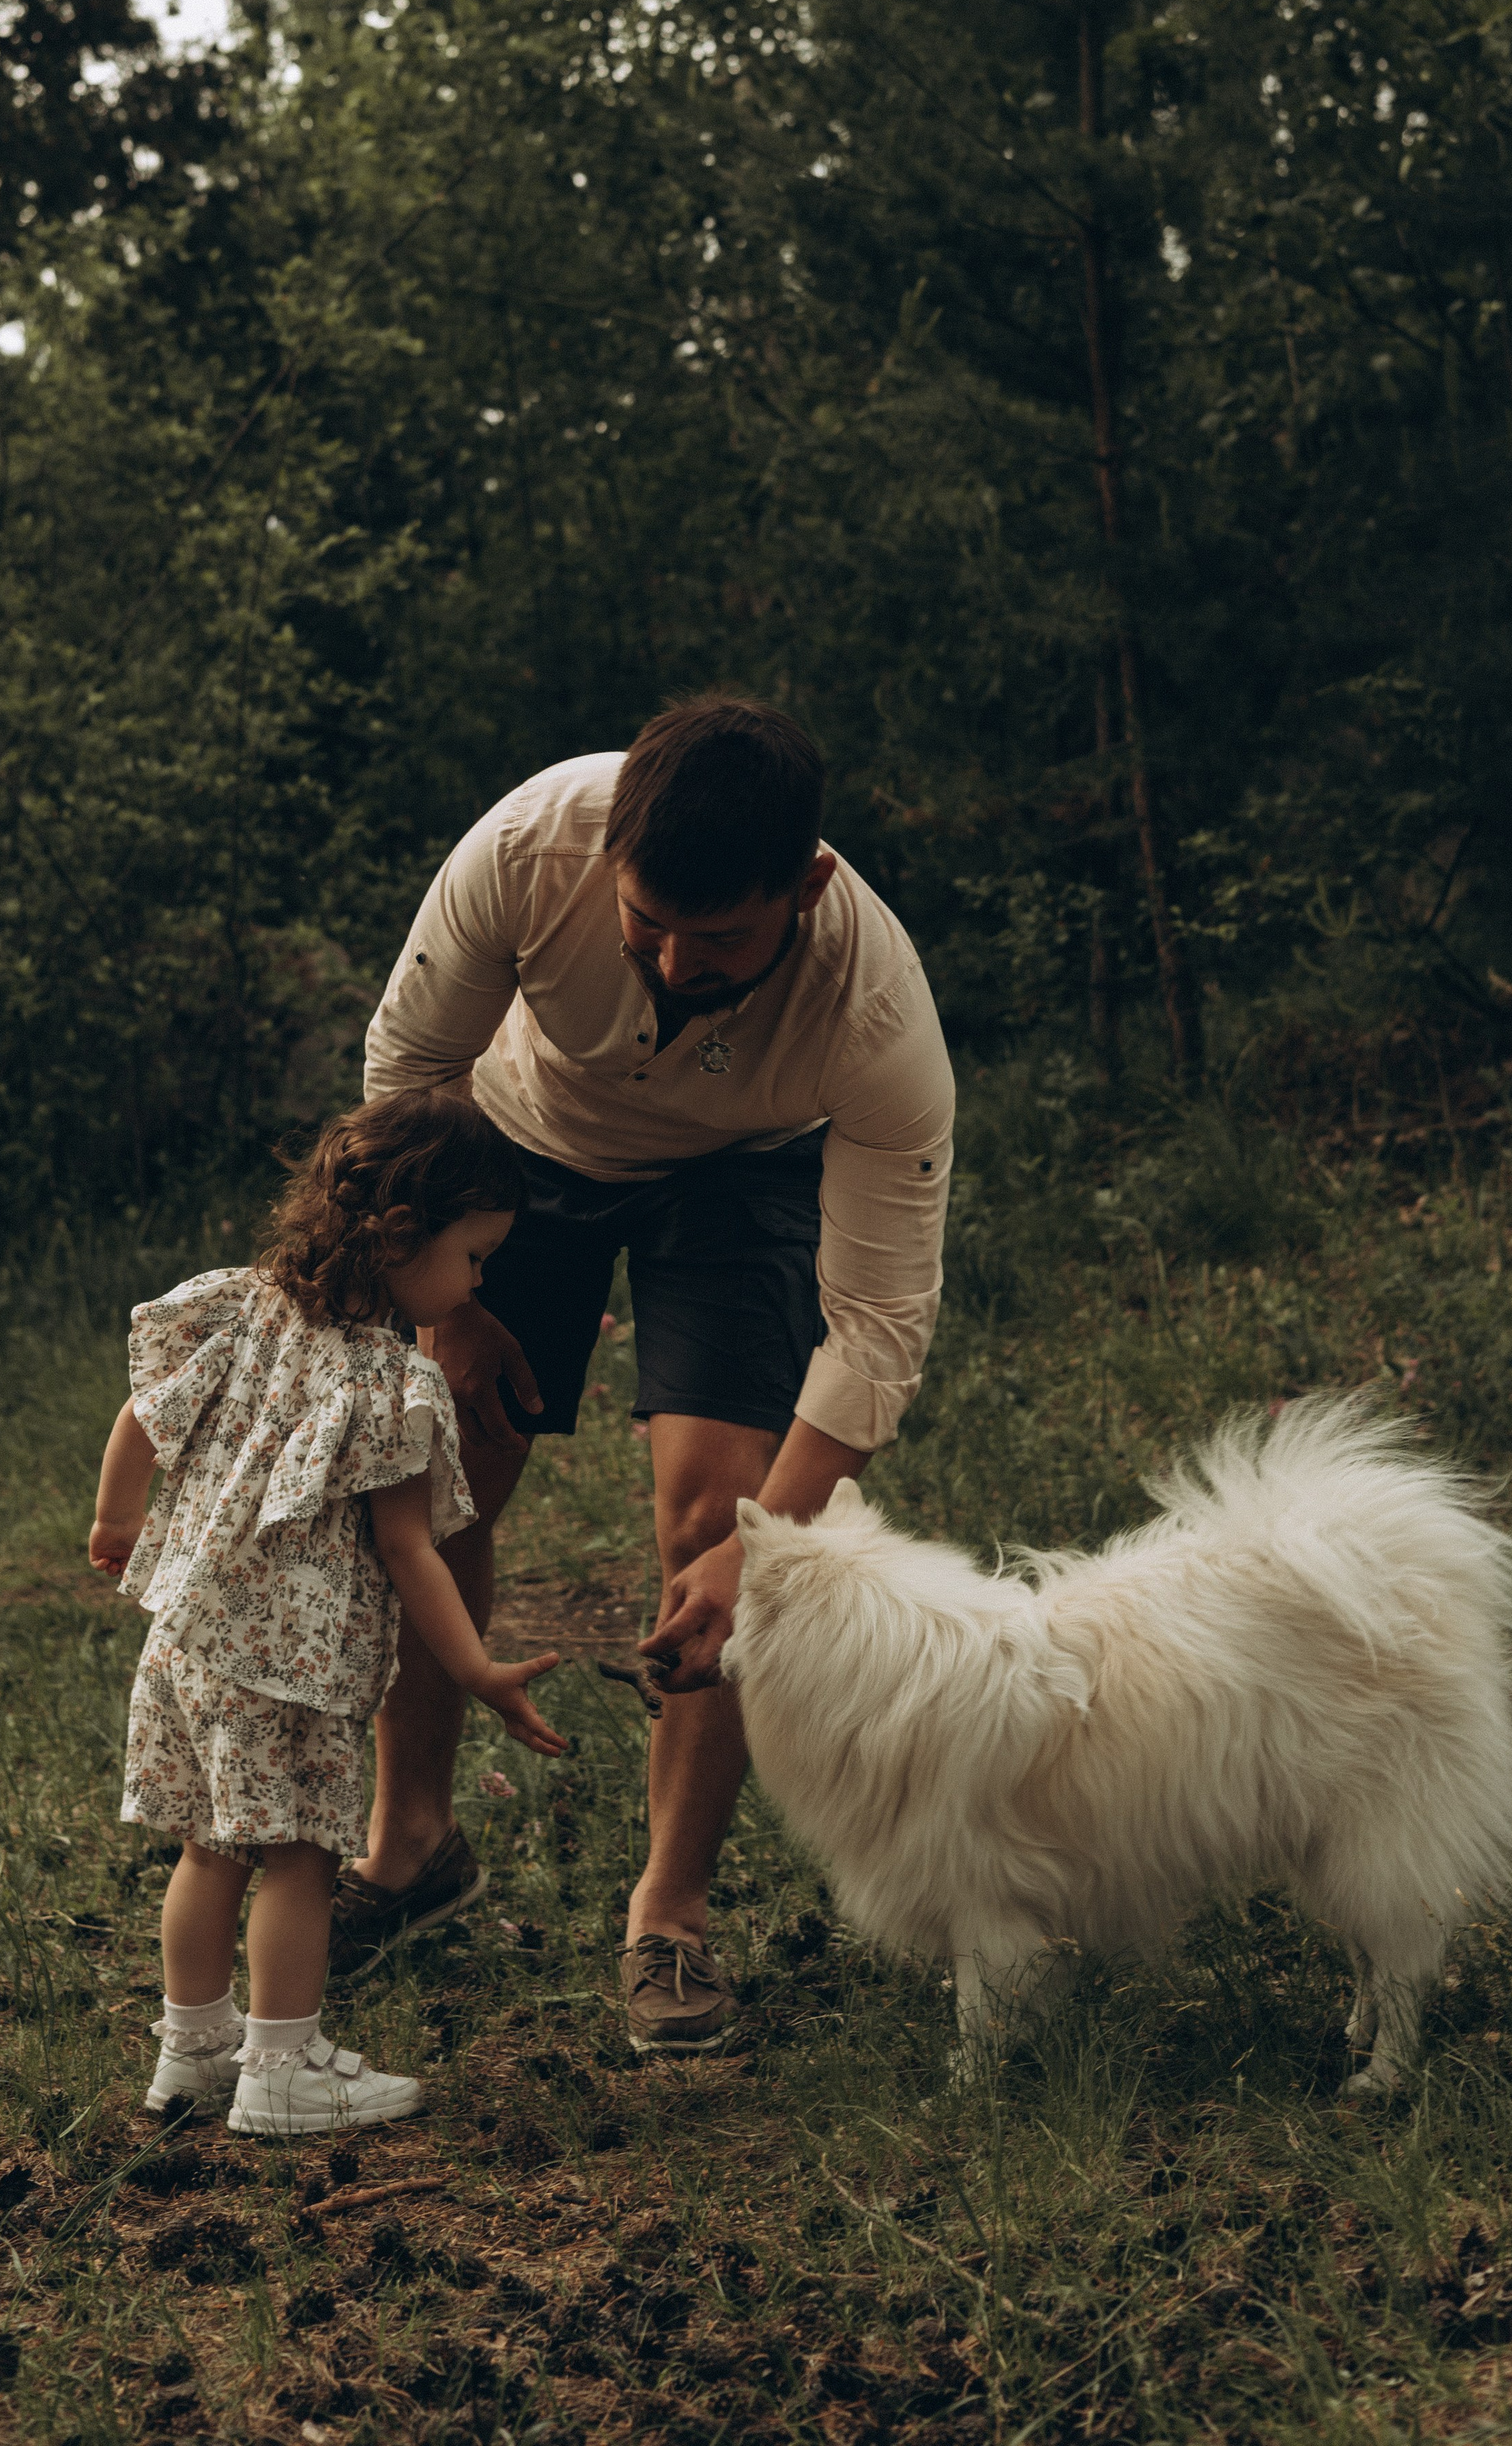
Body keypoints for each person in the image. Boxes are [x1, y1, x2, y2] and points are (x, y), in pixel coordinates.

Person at [339, 696, 955, 2054]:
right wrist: (443, 1310)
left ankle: (669, 1917)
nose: (677, 964)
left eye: (722, 937)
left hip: (742, 1178)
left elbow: (879, 1327)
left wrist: (769, 1548)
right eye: (646, 927)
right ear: (607, 854)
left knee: (719, 1515)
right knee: (438, 1479)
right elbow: (406, 1076)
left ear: (807, 886)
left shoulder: (874, 1008)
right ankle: (413, 1847)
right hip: (510, 1147)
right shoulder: (528, 844)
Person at [88, 1090, 568, 2136]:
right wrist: (478, 1672)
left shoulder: (242, 1306)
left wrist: (119, 1524)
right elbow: (410, 1553)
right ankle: (283, 2067)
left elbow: (141, 1416)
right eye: (476, 1257)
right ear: (403, 1236)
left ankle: (190, 2054)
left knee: (209, 1848)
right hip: (290, 1669)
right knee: (300, 1858)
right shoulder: (392, 1382)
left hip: (191, 1639)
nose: (481, 1281)